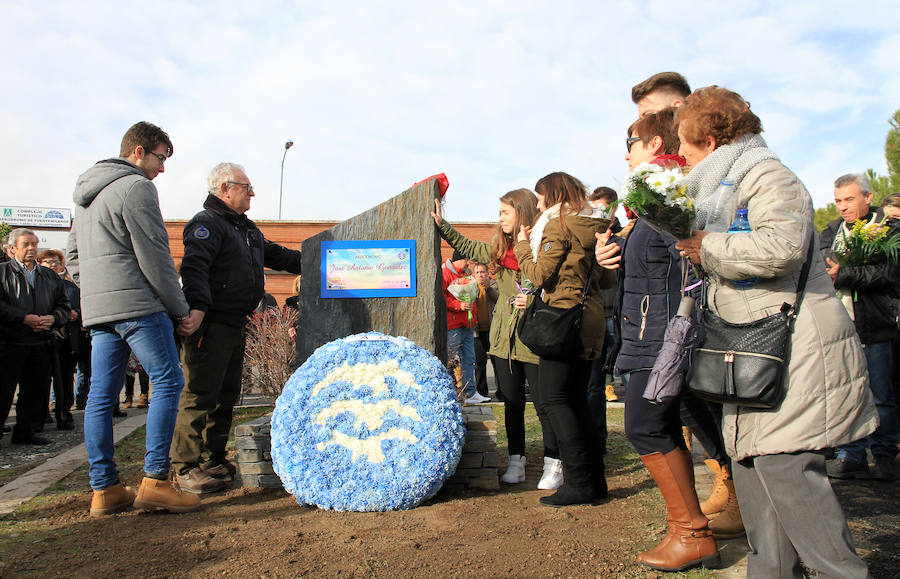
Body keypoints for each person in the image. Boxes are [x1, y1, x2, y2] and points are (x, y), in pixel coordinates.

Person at [674, 86, 875, 578]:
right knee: (752, 470)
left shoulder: (769, 177)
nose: (680, 153)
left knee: (788, 472)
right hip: (753, 349)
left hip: (795, 350)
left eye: (685, 142)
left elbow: (781, 247)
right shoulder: (726, 187)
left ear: (711, 140)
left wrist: (707, 247)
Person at [596, 110, 722, 573]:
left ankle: (692, 532)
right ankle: (687, 529)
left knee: (645, 427)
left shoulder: (671, 196)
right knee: (666, 425)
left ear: (653, 144)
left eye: (629, 143)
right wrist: (612, 251)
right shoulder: (650, 202)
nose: (625, 154)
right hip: (652, 334)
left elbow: (694, 262)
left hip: (664, 338)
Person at [67, 121, 202, 516]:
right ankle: (156, 482)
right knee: (169, 380)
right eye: (160, 157)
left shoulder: (86, 196)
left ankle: (105, 490)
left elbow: (73, 258)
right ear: (138, 151)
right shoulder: (137, 187)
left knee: (100, 396)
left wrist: (97, 291)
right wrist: (179, 308)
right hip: (139, 307)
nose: (163, 168)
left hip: (100, 311)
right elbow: (156, 256)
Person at [632, 72, 740, 535]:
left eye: (650, 115)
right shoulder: (665, 182)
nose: (645, 125)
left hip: (696, 318)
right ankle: (724, 485)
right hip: (668, 318)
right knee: (689, 407)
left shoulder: (711, 176)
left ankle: (728, 497)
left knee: (701, 406)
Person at [171, 162, 302, 493]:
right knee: (200, 393)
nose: (252, 193)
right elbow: (195, 268)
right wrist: (198, 308)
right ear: (224, 189)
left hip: (235, 322)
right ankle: (185, 466)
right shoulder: (206, 224)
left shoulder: (246, 230)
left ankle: (212, 458)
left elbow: (279, 256)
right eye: (246, 187)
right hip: (210, 324)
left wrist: (319, 257)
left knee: (226, 395)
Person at [433, 191, 564, 487]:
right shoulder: (498, 250)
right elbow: (467, 245)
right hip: (504, 340)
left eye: (506, 212)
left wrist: (534, 302)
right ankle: (516, 460)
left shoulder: (544, 247)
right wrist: (442, 225)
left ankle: (553, 463)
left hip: (536, 337)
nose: (500, 217)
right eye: (500, 212)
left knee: (544, 404)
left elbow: (559, 286)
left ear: (522, 212)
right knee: (512, 403)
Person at [515, 172, 616, 506]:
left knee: (555, 400)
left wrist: (521, 247)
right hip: (590, 318)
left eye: (541, 197)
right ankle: (594, 482)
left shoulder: (560, 226)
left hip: (562, 317)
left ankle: (579, 483)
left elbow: (540, 275)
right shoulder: (596, 226)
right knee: (577, 402)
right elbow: (607, 280)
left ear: (553, 195)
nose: (538, 205)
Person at [820, 173, 900, 482]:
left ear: (868, 197)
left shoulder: (888, 230)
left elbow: (889, 274)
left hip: (876, 325)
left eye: (849, 199)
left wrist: (845, 275)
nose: (842, 206)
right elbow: (823, 264)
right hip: (839, 326)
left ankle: (884, 456)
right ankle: (851, 455)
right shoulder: (832, 231)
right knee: (845, 393)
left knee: (880, 395)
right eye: (838, 201)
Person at [0, 229, 71, 446]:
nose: (31, 248)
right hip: (9, 342)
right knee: (3, 391)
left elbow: (64, 305)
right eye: (26, 244)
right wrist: (23, 318)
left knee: (34, 390)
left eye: (34, 244)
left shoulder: (49, 276)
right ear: (12, 249)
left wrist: (54, 318)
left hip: (41, 341)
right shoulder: (2, 272)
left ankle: (25, 432)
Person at [37, 249, 79, 430]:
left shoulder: (71, 286)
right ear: (40, 264)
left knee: (65, 378)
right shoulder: (35, 284)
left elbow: (78, 306)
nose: (52, 264)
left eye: (56, 261)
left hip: (66, 339)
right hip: (43, 337)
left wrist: (76, 314)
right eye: (47, 261)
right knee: (41, 378)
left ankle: (64, 414)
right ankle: (40, 415)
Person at [441, 251, 486, 404]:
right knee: (450, 361)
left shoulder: (466, 274)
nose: (468, 263)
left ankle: (470, 393)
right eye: (466, 260)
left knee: (469, 359)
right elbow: (441, 297)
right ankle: (448, 393)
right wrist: (458, 305)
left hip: (467, 324)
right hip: (453, 325)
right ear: (457, 260)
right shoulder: (445, 274)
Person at [471, 262, 498, 399]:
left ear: (488, 273)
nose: (480, 275)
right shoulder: (470, 286)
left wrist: (488, 288)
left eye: (483, 272)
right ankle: (482, 392)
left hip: (493, 329)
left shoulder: (495, 284)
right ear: (474, 275)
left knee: (497, 362)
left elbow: (499, 299)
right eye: (477, 273)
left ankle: (502, 392)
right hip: (477, 331)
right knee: (480, 362)